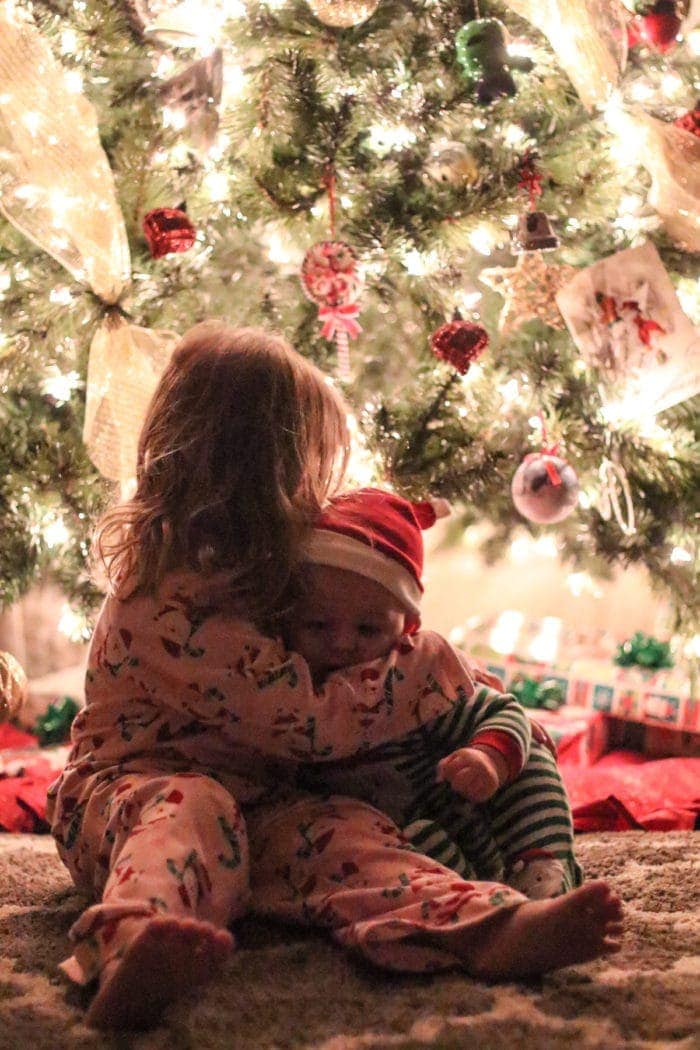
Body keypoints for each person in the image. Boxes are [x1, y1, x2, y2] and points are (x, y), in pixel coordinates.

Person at [47, 321, 623, 1031]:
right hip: (128, 796)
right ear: (263, 473)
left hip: (268, 804)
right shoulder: (163, 596)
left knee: (350, 834)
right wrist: (433, 663)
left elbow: (345, 668)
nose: (319, 489)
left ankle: (481, 925)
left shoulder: (275, 575)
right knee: (190, 806)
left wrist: (465, 691)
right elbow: (310, 719)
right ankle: (132, 943)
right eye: (310, 469)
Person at [286, 487, 583, 899]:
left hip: (470, 796)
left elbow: (503, 711)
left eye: (367, 629)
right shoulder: (282, 688)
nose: (341, 644)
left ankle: (543, 869)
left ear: (406, 624)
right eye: (318, 626)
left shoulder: (411, 673)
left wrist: (489, 758)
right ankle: (482, 901)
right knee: (401, 846)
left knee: (529, 752)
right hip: (415, 843)